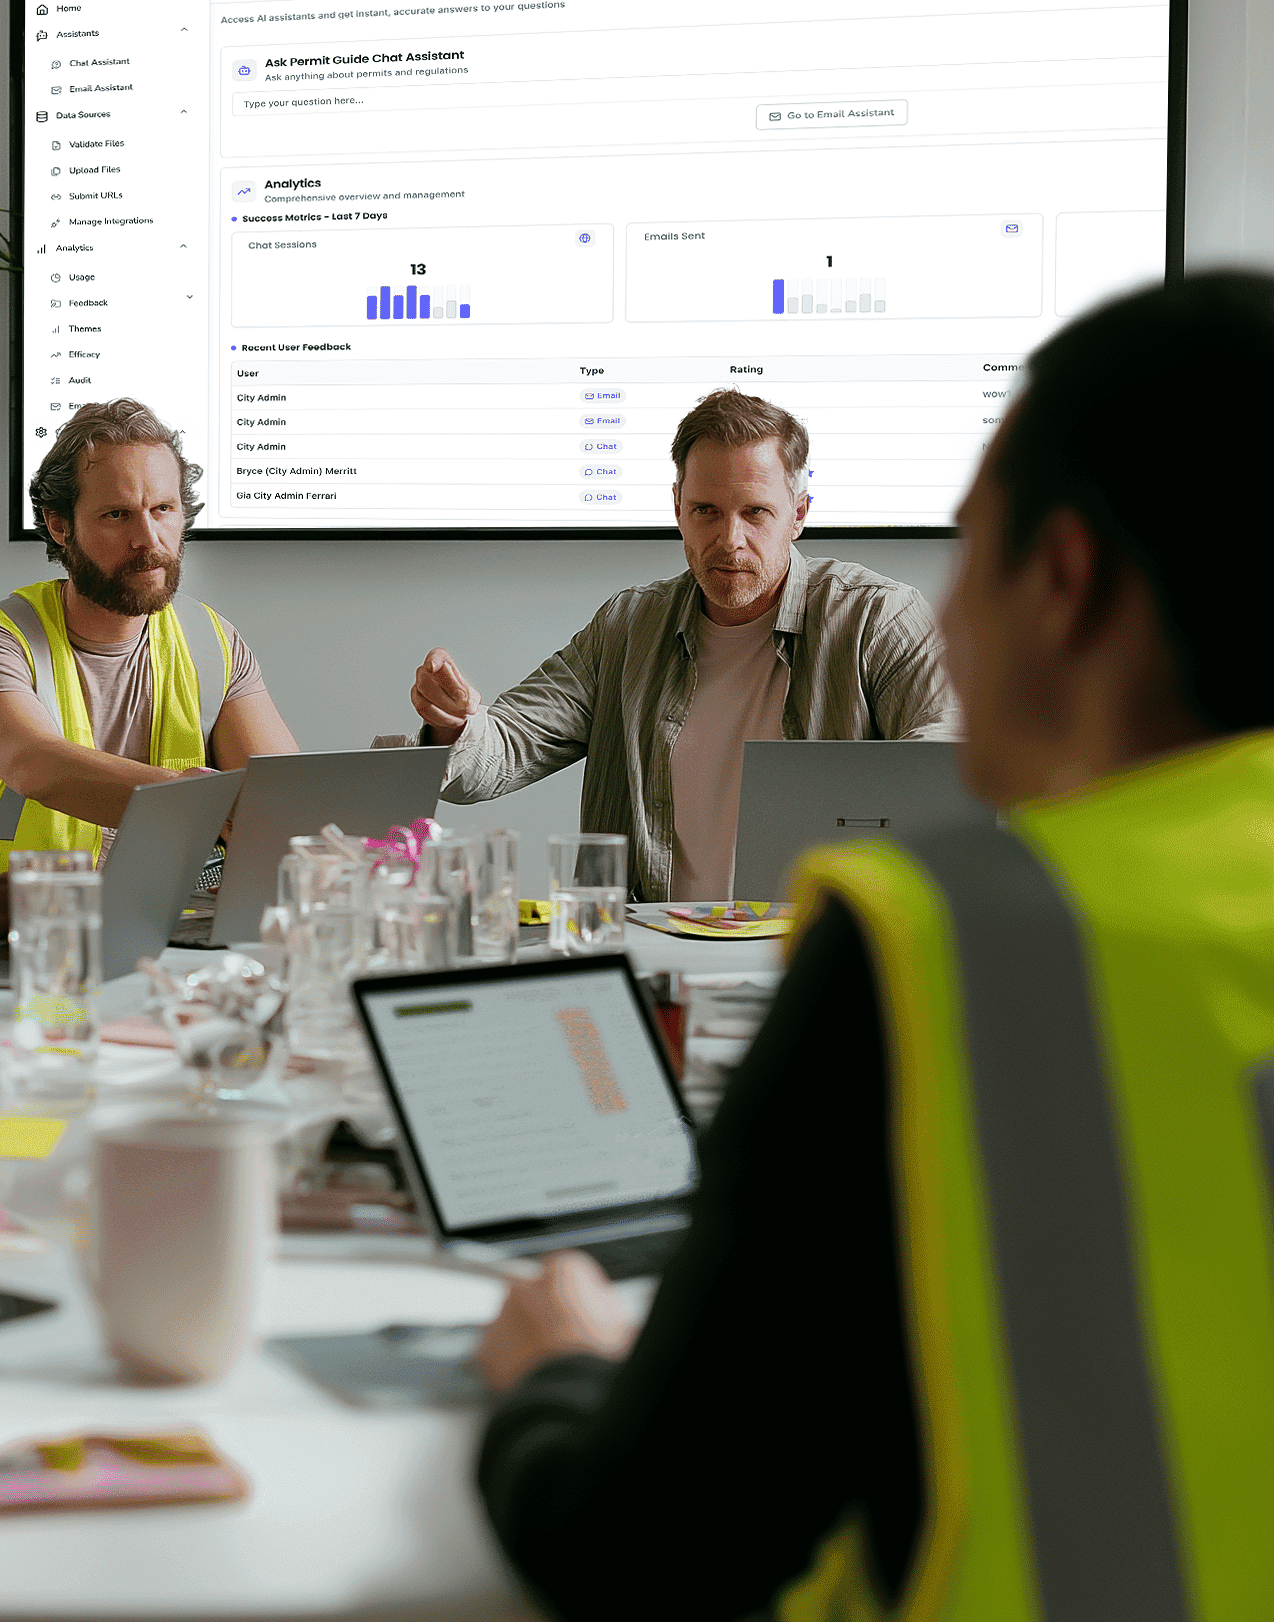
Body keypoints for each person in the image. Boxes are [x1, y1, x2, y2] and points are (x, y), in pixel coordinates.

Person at [468, 274, 1274, 1618]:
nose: (945, 623)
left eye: (972, 551)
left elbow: (643, 1542)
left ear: (1062, 580)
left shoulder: (940, 944)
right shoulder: (630, 631)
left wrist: (559, 1366)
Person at [408, 389, 958, 901]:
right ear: (677, 508)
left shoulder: (877, 618)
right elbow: (503, 750)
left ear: (799, 514)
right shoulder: (628, 626)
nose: (729, 540)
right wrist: (454, 725)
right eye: (707, 511)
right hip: (656, 954)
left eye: (755, 512)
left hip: (812, 952)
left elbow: (948, 771)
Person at [0, 398, 299, 876]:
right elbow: (34, 763)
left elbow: (285, 798)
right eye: (117, 516)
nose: (149, 538)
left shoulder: (211, 641)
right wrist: (188, 799)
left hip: (175, 932)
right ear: (60, 526)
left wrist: (429, 734)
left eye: (163, 509)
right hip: (22, 930)